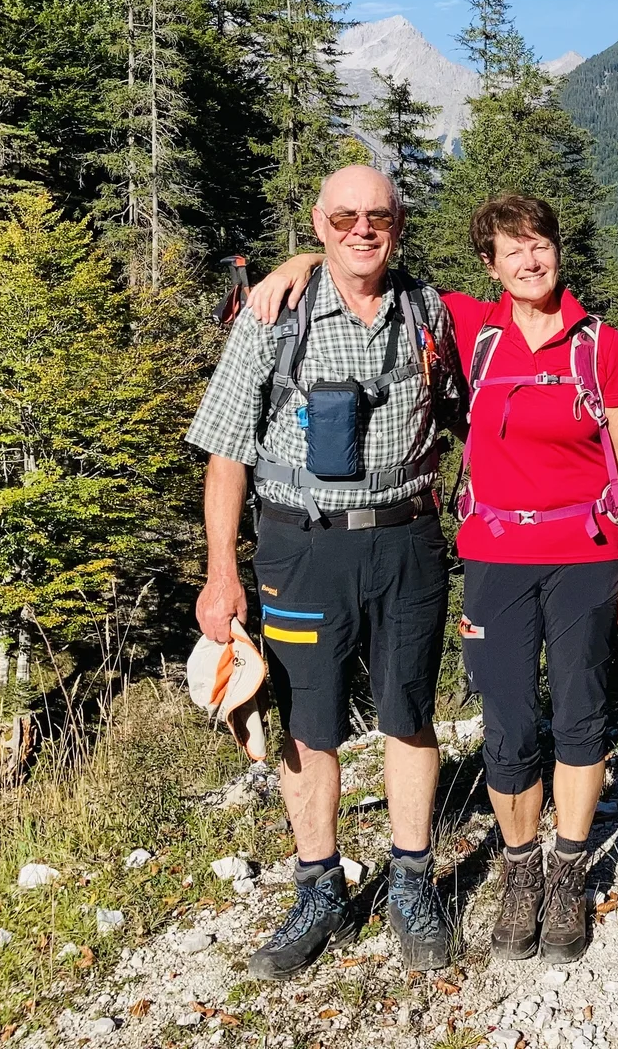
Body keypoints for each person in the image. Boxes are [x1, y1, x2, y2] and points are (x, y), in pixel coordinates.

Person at [248, 194, 618, 965]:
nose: (530, 260)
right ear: (490, 266)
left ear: (557, 251)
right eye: (513, 250)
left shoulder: (600, 343)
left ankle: (566, 875)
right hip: (496, 555)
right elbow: (368, 271)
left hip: (589, 553)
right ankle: (519, 869)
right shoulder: (471, 326)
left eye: (540, 245)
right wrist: (301, 263)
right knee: (506, 723)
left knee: (580, 712)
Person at [187, 165, 464, 980]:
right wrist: (219, 573)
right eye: (343, 218)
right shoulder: (274, 315)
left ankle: (411, 883)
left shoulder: (428, 311)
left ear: (400, 221)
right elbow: (228, 453)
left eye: (377, 214)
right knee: (310, 723)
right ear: (318, 224)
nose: (361, 229)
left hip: (409, 541)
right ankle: (319, 890)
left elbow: (467, 412)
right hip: (299, 547)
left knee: (410, 713)